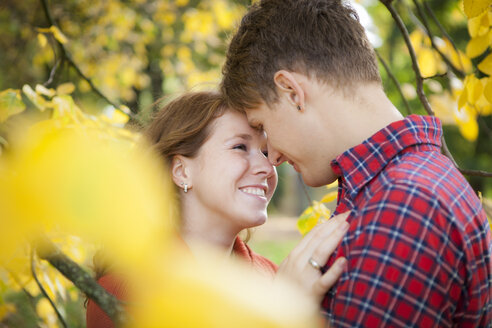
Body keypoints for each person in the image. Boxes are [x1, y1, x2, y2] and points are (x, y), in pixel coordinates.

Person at [220, 0, 492, 326]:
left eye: (263, 126)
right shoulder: (403, 186)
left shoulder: (402, 207)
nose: (273, 156)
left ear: (291, 91)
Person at [86, 91, 349, 327]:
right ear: (181, 171)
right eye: (240, 147)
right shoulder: (127, 289)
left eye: (266, 151)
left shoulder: (272, 277)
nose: (267, 168)